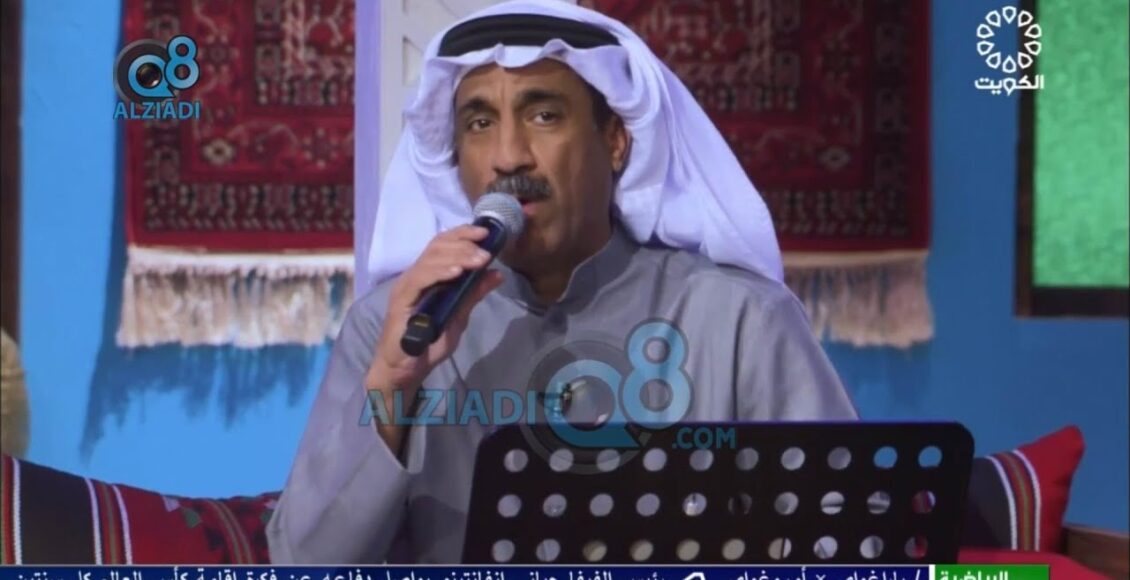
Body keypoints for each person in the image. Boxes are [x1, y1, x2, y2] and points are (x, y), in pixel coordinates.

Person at [267, 0, 858, 564]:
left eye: (544, 115)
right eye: (479, 123)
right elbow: (303, 562)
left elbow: (852, 531)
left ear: (616, 141)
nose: (508, 157)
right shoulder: (395, 328)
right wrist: (392, 388)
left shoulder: (738, 320)